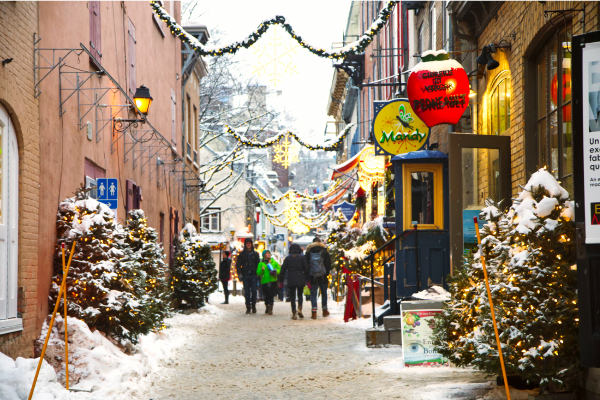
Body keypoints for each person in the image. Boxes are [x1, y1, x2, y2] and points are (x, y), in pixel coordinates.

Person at [278, 243, 310, 320]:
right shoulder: (302, 257)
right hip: (300, 277)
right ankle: (300, 309)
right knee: (300, 295)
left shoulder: (288, 258)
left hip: (291, 277)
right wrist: (308, 279)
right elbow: (306, 269)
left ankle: (294, 312)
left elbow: (283, 270)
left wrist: (281, 281)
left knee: (292, 296)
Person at [305, 237, 332, 319]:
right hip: (323, 276)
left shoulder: (308, 252)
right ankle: (324, 311)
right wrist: (326, 273)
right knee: (324, 293)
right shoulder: (324, 251)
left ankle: (314, 312)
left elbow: (306, 265)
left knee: (313, 294)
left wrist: (308, 275)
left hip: (313, 276)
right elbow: (328, 264)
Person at [236, 238, 260, 314]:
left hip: (253, 275)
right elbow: (238, 265)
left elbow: (258, 265)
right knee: (247, 292)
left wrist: (257, 274)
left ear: (251, 244)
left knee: (253, 291)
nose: (248, 245)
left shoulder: (255, 254)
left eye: (249, 243)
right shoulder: (242, 255)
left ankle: (253, 305)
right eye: (247, 243)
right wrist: (239, 273)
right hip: (245, 275)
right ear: (245, 244)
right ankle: (248, 306)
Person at [256, 250, 280, 315]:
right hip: (264, 281)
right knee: (266, 296)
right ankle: (267, 306)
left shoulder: (274, 262)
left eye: (269, 253)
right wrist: (262, 270)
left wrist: (275, 271)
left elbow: (279, 269)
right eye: (266, 253)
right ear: (264, 255)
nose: (268, 254)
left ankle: (270, 308)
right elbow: (258, 273)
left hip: (272, 281)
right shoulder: (261, 264)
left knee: (271, 295)